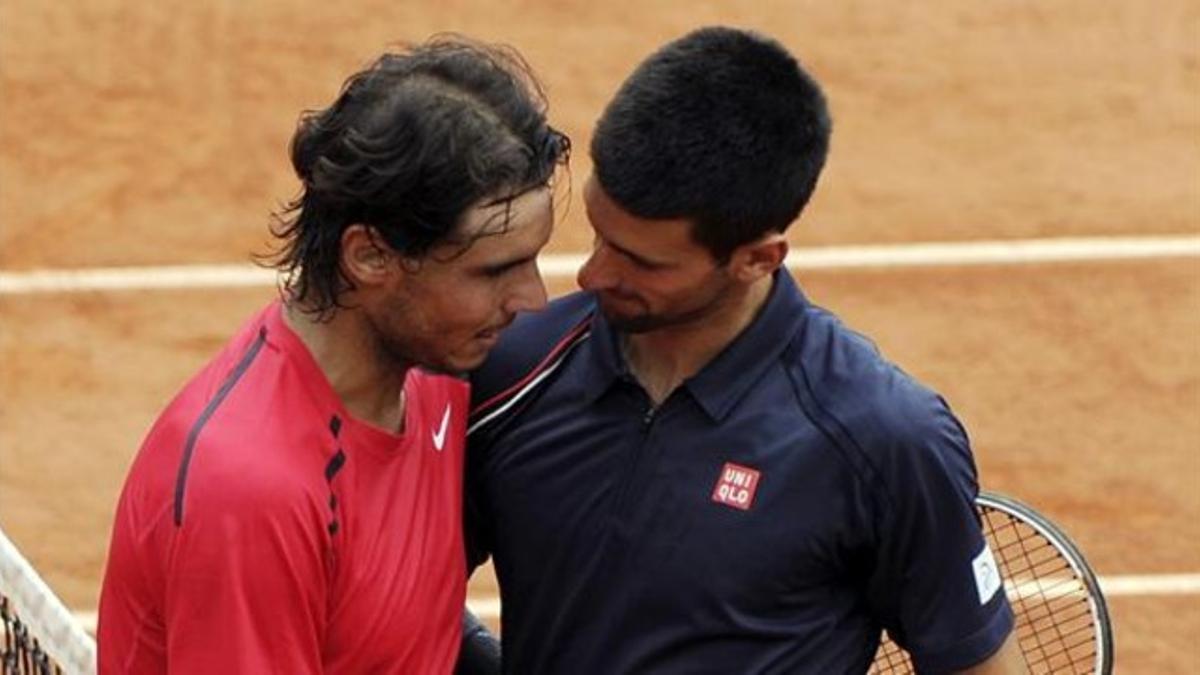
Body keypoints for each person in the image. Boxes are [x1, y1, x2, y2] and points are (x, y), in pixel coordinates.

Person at [462, 27, 1026, 674]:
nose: (592, 275)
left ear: (756, 259)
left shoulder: (883, 438)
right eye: (597, 233)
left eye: (642, 262)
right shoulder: (510, 369)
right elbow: (399, 586)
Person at [98, 35, 569, 674]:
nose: (533, 299)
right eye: (494, 272)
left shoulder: (436, 373)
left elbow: (373, 607)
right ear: (370, 257)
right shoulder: (250, 493)